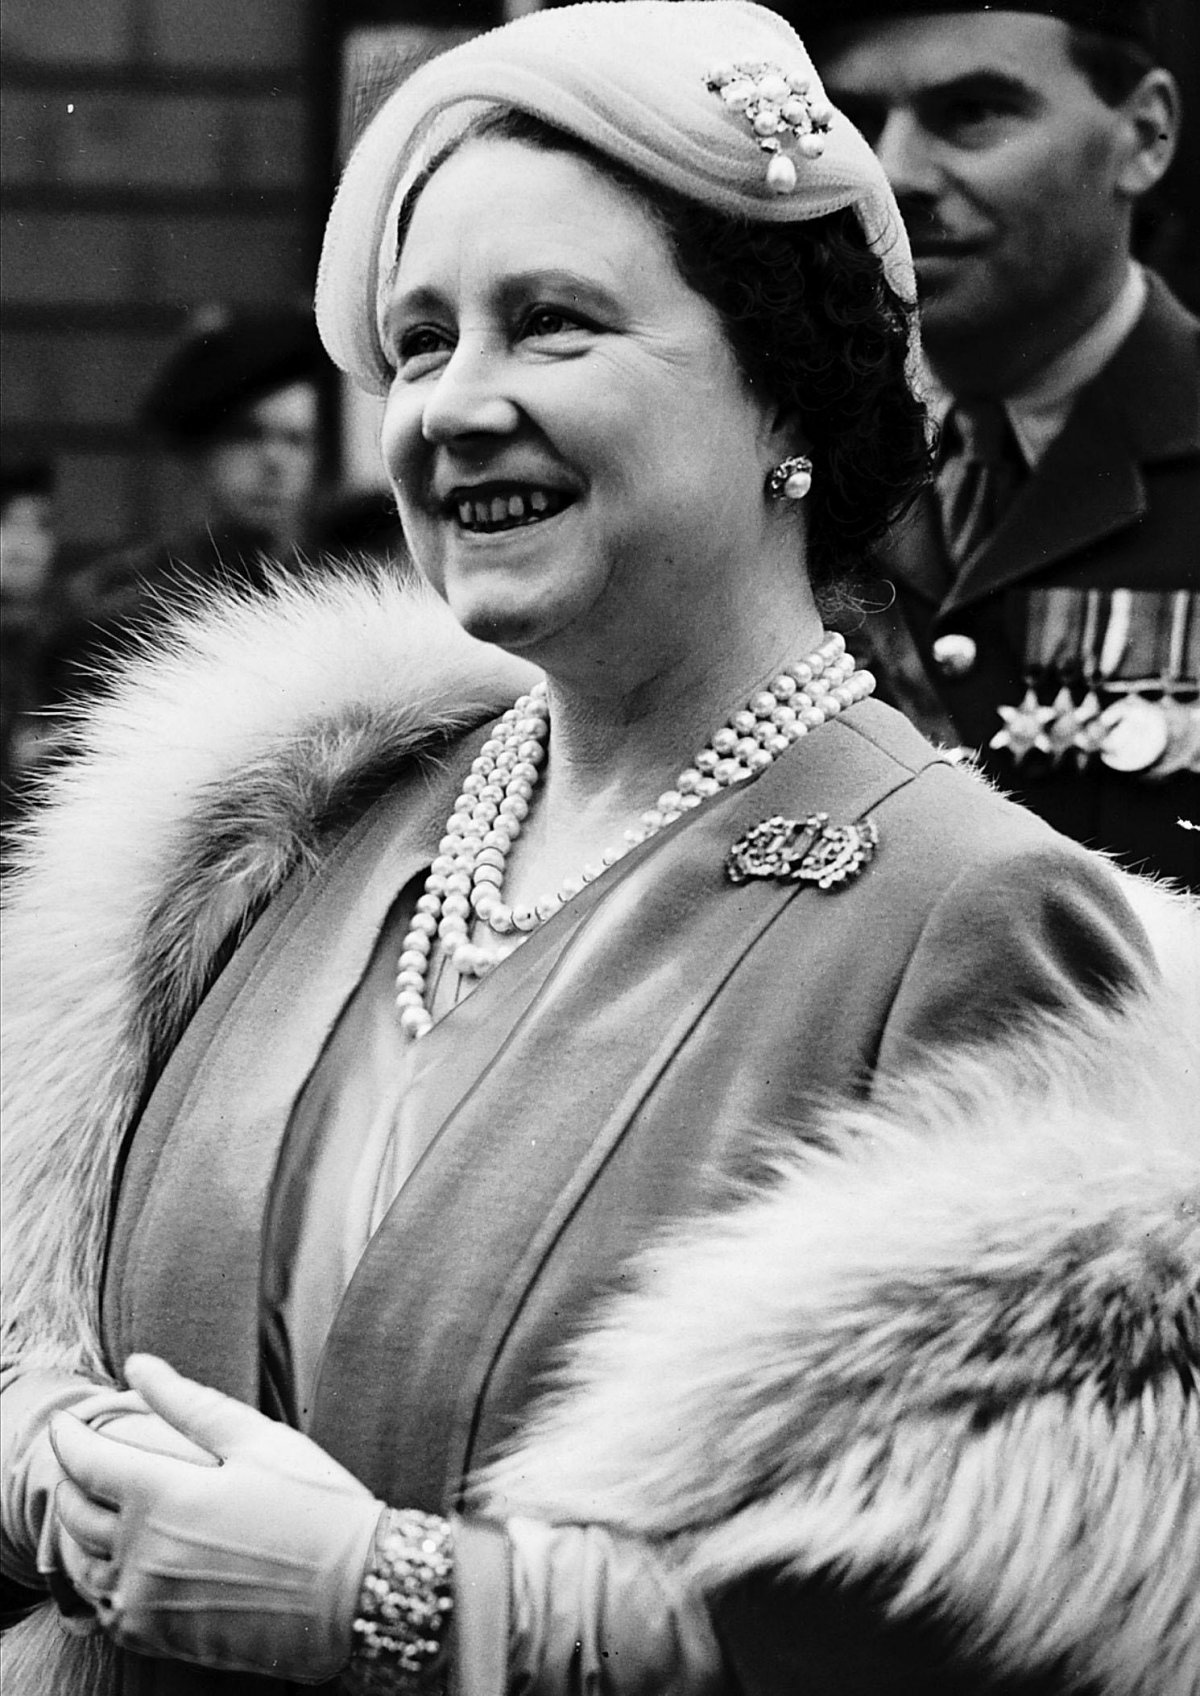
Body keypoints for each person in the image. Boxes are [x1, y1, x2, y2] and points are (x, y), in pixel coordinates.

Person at [1, 6, 1196, 1694]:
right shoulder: (287, 827)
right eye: (420, 343)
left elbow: (986, 1619)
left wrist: (391, 1600)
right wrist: (53, 1459)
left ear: (783, 393)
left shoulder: (980, 913)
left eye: (550, 322)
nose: (452, 407)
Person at [802, 0, 1200, 886]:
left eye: (972, 112)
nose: (893, 173)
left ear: (1146, 135)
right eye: (852, 121)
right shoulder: (777, 460)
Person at [51, 304, 326, 687]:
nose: (275, 462)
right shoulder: (113, 610)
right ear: (200, 451)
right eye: (247, 435)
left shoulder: (333, 602)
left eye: (297, 440)